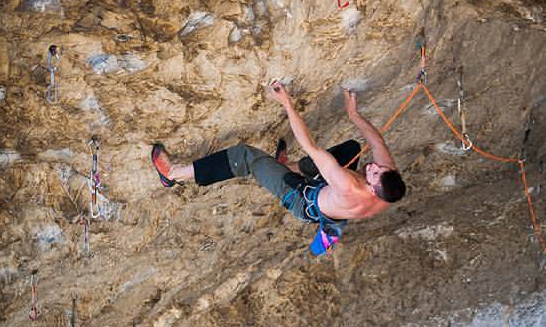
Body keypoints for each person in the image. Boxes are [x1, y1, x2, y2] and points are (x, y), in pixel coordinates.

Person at [150, 82, 406, 248]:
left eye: (373, 173)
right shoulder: (387, 183)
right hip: (331, 196)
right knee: (351, 148)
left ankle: (174, 175)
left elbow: (311, 146)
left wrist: (287, 104)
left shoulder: (349, 185)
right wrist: (354, 115)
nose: (374, 166)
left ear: (372, 189)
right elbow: (376, 142)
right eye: (380, 168)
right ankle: (287, 167)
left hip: (302, 198)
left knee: (247, 155)